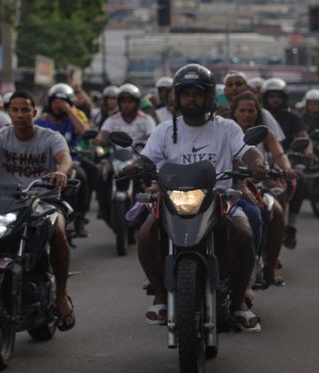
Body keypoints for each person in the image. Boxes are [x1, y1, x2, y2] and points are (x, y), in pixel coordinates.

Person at [129, 64, 266, 332]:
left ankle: (238, 303)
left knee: (245, 233)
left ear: (209, 96)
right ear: (177, 98)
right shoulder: (165, 130)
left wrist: (258, 162)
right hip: (173, 200)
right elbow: (146, 157)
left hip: (222, 198)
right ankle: (159, 296)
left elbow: (247, 151)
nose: (191, 99)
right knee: (145, 234)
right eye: (186, 93)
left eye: (197, 93)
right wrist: (134, 166)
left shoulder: (226, 127)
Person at [0, 90, 76, 331]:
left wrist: (61, 171)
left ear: (34, 112)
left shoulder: (50, 137)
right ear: (9, 112)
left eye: (25, 110)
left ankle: (62, 295)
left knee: (59, 230)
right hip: (6, 201)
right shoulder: (1, 136)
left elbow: (65, 158)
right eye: (15, 110)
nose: (20, 115)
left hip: (44, 200)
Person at [231, 91, 290, 286]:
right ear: (234, 112)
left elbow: (279, 156)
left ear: (257, 113)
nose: (246, 114)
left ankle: (269, 266)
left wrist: (287, 169)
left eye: (251, 110)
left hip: (258, 186)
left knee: (277, 211)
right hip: (228, 186)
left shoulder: (265, 134)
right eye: (242, 110)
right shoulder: (228, 132)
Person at [36, 82, 95, 237]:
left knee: (83, 175)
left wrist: (69, 110)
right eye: (55, 102)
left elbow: (83, 131)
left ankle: (80, 219)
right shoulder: (41, 121)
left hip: (71, 162)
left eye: (62, 102)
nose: (58, 105)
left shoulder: (72, 120)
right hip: (45, 165)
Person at [261, 78, 314, 249]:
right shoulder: (258, 115)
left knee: (300, 180)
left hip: (286, 161)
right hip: (258, 162)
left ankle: (290, 225)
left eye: (278, 96)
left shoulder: (291, 117)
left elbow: (303, 137)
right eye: (271, 96)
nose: (275, 99)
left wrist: (308, 152)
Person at [94, 83, 156, 223]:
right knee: (100, 173)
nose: (127, 105)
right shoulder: (112, 120)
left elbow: (153, 137)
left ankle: (148, 208)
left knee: (150, 178)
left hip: (138, 157)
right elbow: (103, 134)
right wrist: (99, 139)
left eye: (130, 102)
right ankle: (103, 207)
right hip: (116, 157)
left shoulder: (146, 120)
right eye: (124, 102)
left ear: (137, 103)